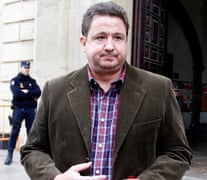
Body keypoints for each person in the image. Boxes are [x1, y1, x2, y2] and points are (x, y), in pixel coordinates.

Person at [20, 1, 192, 180]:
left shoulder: (159, 89)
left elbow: (178, 152)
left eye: (118, 37)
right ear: (84, 42)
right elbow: (33, 150)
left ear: (126, 40)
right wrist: (56, 178)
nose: (110, 46)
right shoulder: (55, 90)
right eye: (100, 37)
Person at [4, 61, 41, 165]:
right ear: (21, 68)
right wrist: (29, 93)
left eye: (28, 68)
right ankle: (9, 154)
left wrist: (26, 92)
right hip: (18, 109)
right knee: (15, 131)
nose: (26, 70)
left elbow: (38, 92)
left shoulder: (32, 81)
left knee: (31, 133)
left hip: (30, 110)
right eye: (25, 68)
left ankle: (30, 156)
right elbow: (16, 93)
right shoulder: (15, 80)